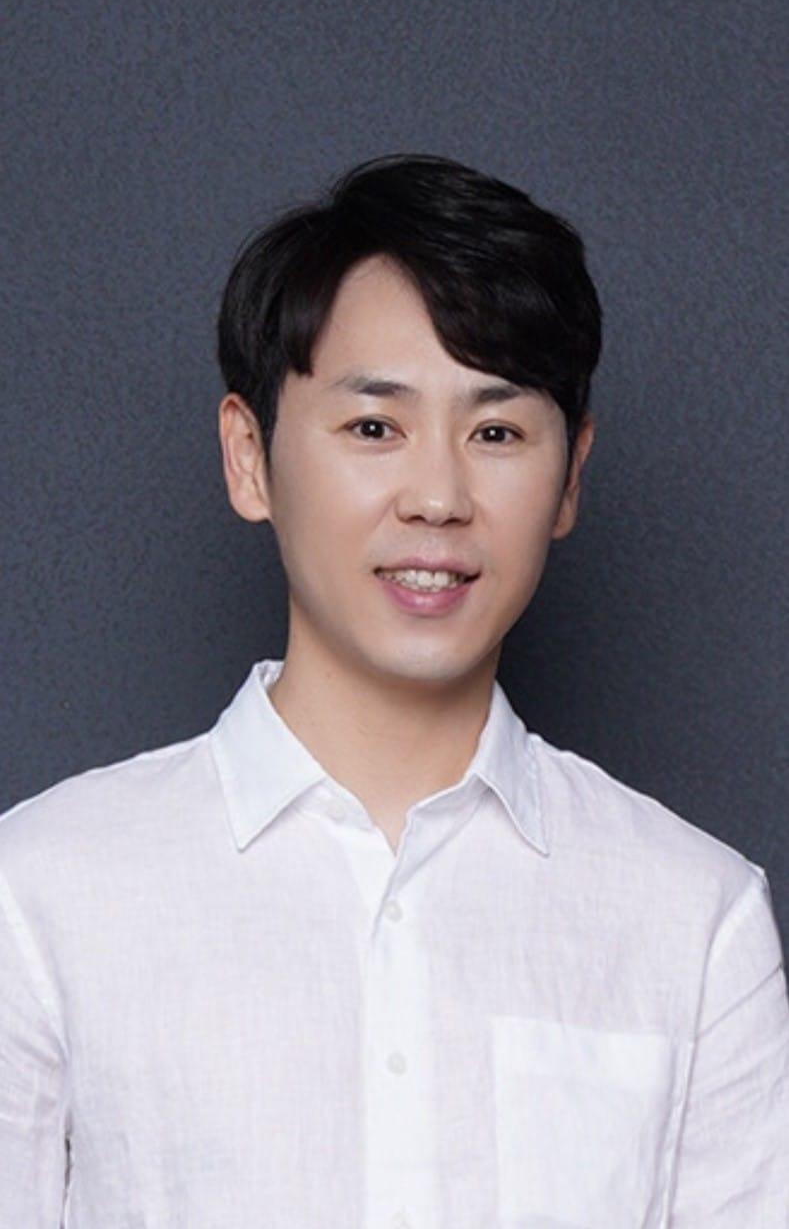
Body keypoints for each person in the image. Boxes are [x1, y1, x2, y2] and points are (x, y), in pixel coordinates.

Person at [1, 153, 786, 1227]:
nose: (438, 495)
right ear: (248, 457)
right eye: (375, 427)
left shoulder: (696, 925)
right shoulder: (42, 899)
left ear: (570, 477)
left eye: (497, 432)